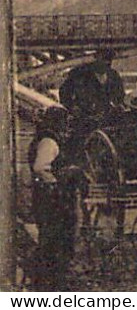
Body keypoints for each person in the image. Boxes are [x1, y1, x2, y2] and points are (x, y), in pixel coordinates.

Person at [27, 106, 79, 289]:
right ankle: (49, 281)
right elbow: (40, 167)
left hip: (51, 195)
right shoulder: (49, 141)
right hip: (51, 196)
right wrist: (57, 180)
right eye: (65, 122)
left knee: (54, 237)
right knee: (53, 237)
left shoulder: (49, 139)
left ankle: (53, 279)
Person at [59, 49, 125, 133]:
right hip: (83, 121)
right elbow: (64, 93)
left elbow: (120, 98)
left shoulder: (113, 76)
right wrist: (73, 108)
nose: (107, 63)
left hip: (105, 121)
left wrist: (119, 107)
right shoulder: (79, 74)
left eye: (108, 61)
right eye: (103, 60)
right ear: (95, 59)